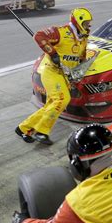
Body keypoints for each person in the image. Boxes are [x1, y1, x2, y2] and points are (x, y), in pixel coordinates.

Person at [15, 8, 92, 145]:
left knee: (52, 103)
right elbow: (39, 35)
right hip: (51, 70)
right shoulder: (61, 32)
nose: (89, 26)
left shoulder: (83, 38)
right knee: (62, 99)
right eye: (86, 23)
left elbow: (81, 56)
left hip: (64, 74)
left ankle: (24, 128)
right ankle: (41, 131)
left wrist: (79, 69)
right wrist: (53, 53)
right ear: (79, 22)